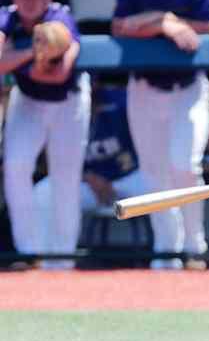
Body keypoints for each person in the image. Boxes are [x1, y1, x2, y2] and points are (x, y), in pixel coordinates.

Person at [110, 0, 209, 270]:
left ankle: (194, 248)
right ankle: (166, 251)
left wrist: (157, 21)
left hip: (188, 88)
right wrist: (164, 24)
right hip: (145, 87)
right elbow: (119, 27)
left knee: (184, 165)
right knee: (154, 172)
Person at [0, 0, 90, 270]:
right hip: (28, 101)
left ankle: (62, 259)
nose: (29, 1)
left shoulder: (60, 17)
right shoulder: (7, 17)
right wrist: (30, 52)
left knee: (65, 178)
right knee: (15, 166)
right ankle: (29, 254)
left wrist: (14, 55)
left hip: (68, 102)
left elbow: (57, 74)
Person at [33, 88, 148, 250]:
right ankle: (46, 257)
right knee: (43, 192)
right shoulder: (62, 106)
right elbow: (51, 162)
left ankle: (174, 256)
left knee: (168, 186)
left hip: (131, 178)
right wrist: (87, 177)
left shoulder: (123, 102)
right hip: (88, 184)